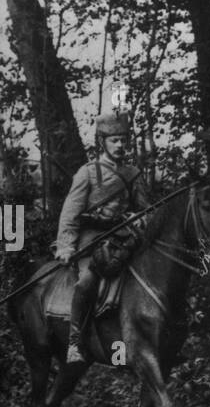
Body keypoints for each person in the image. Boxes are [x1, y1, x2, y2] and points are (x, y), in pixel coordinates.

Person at [55, 111, 150, 364]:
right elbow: (70, 213)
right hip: (92, 241)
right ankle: (75, 343)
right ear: (102, 142)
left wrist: (140, 218)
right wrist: (65, 246)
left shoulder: (133, 174)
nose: (120, 145)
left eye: (123, 140)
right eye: (114, 140)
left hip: (125, 237)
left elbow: (145, 209)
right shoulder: (87, 173)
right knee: (86, 283)